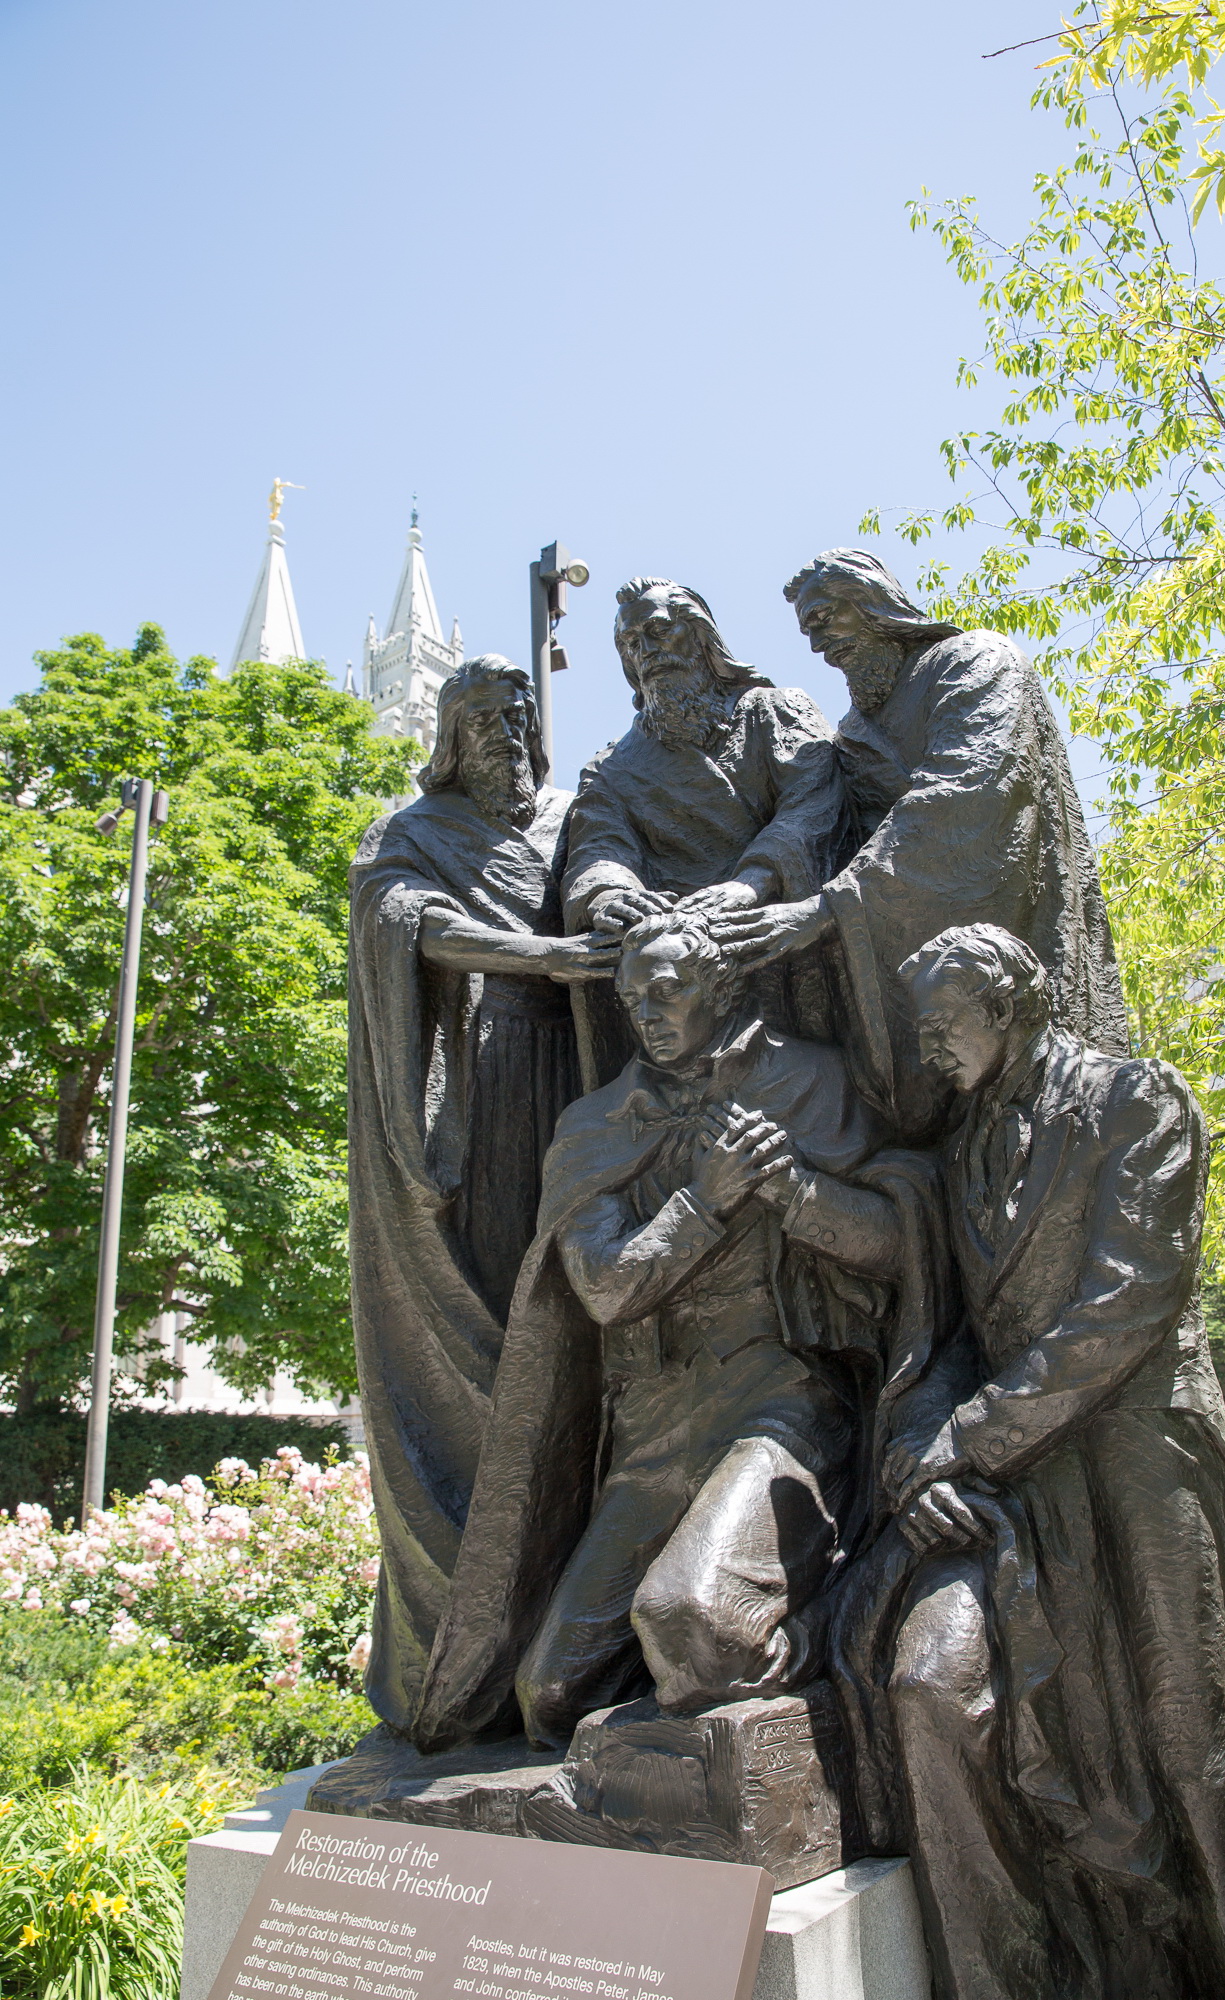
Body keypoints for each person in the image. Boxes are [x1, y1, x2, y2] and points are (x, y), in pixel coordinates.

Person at [830, 922, 1225, 2000]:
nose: (927, 1046)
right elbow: (970, 1330)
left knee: (1202, 1755)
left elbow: (1124, 1303)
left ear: (1004, 1007)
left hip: (1145, 1468)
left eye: (941, 1021)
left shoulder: (1135, 1101)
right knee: (996, 1719)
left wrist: (966, 1436)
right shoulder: (963, 1149)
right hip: (1026, 1488)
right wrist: (922, 1438)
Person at [412, 912, 955, 1753]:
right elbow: (602, 1290)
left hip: (777, 1402)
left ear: (723, 986)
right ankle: (675, 1727)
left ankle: (829, 1648)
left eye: (666, 992)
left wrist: (794, 1194)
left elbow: (900, 1244)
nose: (647, 1013)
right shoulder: (598, 1124)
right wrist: (705, 1201)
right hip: (654, 1430)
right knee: (550, 1691)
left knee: (690, 1618)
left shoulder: (811, 1082)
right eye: (632, 1000)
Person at [347, 654, 617, 1732]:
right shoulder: (411, 830)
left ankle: (582, 1650)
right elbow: (404, 923)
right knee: (512, 1344)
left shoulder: (572, 820)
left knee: (599, 1351)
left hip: (591, 1085)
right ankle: (470, 1657)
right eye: (485, 718)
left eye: (519, 714)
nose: (509, 731)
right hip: (490, 1091)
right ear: (451, 734)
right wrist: (539, 954)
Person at [713, 549, 1128, 1144]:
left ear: (874, 603)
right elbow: (833, 830)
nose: (819, 644)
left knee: (1053, 1133)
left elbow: (965, 794)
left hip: (1011, 933)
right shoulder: (854, 732)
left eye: (828, 618)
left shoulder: (976, 662)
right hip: (920, 980)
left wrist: (831, 908)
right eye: (809, 631)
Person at [560, 576, 850, 1083]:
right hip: (671, 969)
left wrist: (753, 881)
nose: (645, 651)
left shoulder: (774, 712)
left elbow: (815, 805)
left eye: (657, 632)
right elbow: (598, 846)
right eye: (630, 644)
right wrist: (611, 894)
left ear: (699, 636)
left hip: (773, 939)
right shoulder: (611, 767)